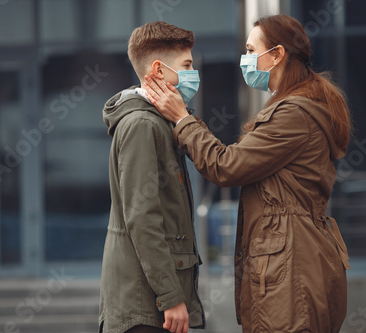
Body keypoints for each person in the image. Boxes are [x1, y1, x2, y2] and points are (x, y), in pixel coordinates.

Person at [144, 14, 351, 333]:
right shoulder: (299, 105)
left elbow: (227, 166)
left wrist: (182, 119)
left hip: (291, 266)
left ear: (277, 54)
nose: (245, 59)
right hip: (295, 258)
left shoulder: (293, 113)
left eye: (251, 49)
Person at [98, 21, 205, 333]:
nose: (192, 75)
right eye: (186, 66)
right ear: (158, 70)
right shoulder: (142, 125)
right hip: (145, 309)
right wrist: (171, 297)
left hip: (150, 305)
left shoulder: (158, 123)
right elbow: (142, 217)